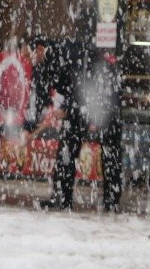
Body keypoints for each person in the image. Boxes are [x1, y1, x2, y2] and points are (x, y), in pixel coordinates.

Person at [33, 23, 122, 211]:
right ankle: (61, 197)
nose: (30, 59)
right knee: (67, 147)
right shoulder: (50, 60)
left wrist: (68, 108)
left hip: (104, 96)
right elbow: (56, 88)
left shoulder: (63, 53)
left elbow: (82, 81)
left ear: (40, 49)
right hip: (84, 102)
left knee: (109, 149)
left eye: (30, 54)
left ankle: (111, 201)